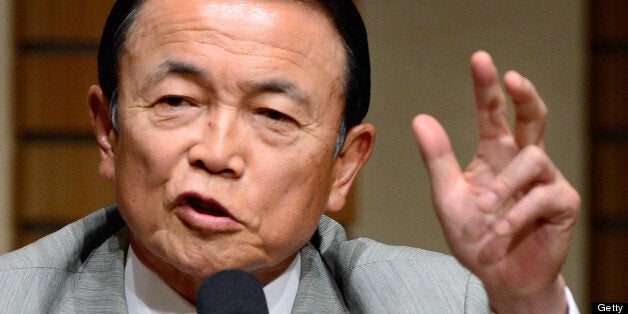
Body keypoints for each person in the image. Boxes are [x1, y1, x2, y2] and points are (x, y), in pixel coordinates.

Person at [0, 0, 580, 312]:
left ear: (344, 166)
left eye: (274, 115)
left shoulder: (446, 304)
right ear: (108, 130)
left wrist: (530, 305)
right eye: (177, 100)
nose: (218, 153)